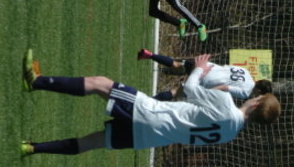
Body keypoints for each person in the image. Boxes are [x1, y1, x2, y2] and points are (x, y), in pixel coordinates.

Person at [19, 49, 280, 156]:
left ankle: (36, 81)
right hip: (150, 138)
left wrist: (199, 69)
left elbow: (189, 88)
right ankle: (32, 148)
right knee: (90, 143)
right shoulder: (230, 135)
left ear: (256, 103)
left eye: (257, 97)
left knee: (100, 83)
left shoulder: (226, 103)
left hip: (151, 112)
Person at [138, 49, 273, 100]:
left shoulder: (246, 72)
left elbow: (226, 67)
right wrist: (207, 94)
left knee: (176, 64)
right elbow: (225, 87)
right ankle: (145, 103)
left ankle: (149, 55)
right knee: (176, 93)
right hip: (207, 81)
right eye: (259, 95)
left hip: (207, 66)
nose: (257, 97)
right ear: (258, 91)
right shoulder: (246, 92)